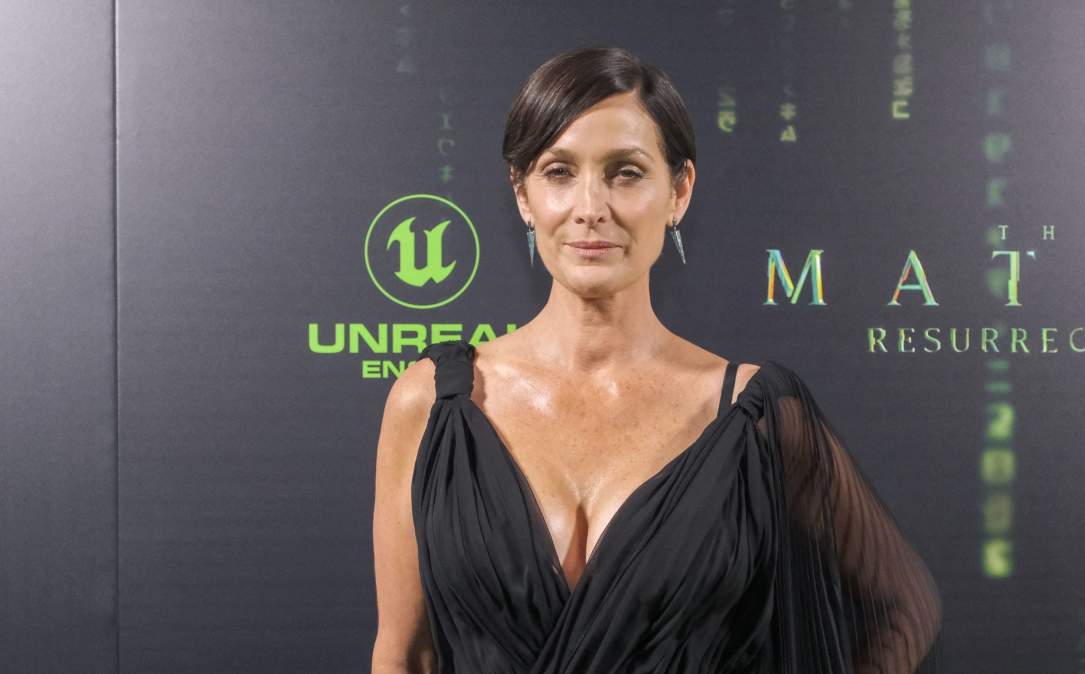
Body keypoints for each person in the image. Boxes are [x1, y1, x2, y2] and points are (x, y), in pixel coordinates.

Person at [372, 46, 943, 673]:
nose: (591, 207)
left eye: (625, 172)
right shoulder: (431, 404)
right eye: (559, 172)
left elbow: (905, 609)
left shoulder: (752, 416)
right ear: (523, 195)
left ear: (679, 191)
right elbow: (404, 653)